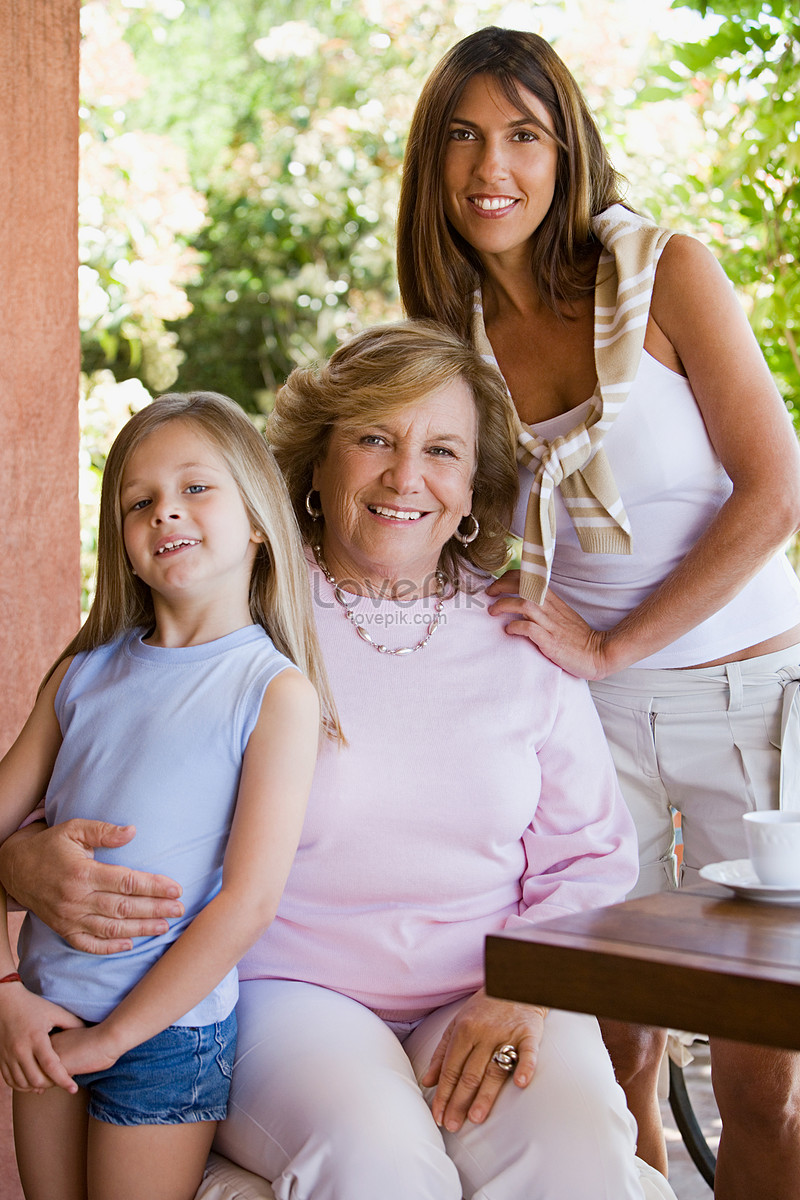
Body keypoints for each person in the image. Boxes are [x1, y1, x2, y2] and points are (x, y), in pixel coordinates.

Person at [0, 323, 675, 1200]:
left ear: (474, 488)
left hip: (488, 990)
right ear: (315, 468)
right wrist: (16, 864)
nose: (406, 477)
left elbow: (590, 858)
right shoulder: (237, 616)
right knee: (378, 1168)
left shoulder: (524, 637)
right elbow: (116, 777)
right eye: (372, 439)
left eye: (442, 450)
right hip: (289, 996)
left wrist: (526, 992)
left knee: (579, 1153)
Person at [396, 24, 800, 1199]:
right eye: (463, 137)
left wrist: (617, 638)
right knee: (607, 1053)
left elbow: (774, 490)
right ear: (433, 165)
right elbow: (455, 532)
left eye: (522, 134)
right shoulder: (448, 339)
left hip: (747, 699)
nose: (492, 168)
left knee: (757, 1079)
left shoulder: (665, 271)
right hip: (583, 712)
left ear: (565, 149)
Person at [0, 392, 332, 1200]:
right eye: (139, 501)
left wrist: (116, 1037)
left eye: (195, 488)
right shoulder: (79, 675)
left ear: (258, 520)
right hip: (42, 1016)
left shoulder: (274, 692)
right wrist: (5, 995)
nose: (165, 513)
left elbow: (248, 903)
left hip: (167, 1038)